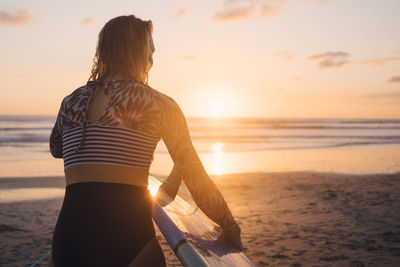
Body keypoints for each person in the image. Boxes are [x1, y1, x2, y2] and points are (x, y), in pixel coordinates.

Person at [49, 15, 242, 267]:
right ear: (138, 53)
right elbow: (199, 184)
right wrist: (230, 227)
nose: (152, 59)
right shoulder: (160, 105)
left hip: (68, 241)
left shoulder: (71, 102)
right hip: (129, 239)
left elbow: (57, 149)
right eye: (150, 51)